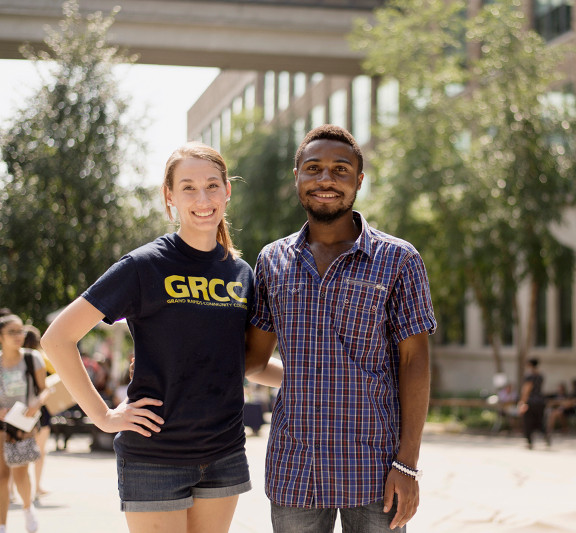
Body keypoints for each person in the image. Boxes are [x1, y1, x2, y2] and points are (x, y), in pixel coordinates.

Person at [41, 142, 280, 533]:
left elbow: (247, 362)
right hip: (155, 454)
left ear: (227, 191)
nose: (202, 198)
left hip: (224, 452)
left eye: (212, 186)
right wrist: (103, 416)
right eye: (187, 187)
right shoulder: (144, 265)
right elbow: (57, 338)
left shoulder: (241, 274)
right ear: (169, 195)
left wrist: (313, 380)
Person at [245, 125, 436, 532]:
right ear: (296, 176)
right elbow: (252, 359)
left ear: (359, 181)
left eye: (340, 170)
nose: (326, 179)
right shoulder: (272, 261)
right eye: (313, 168)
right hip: (295, 469)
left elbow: (414, 362)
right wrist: (172, 358)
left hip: (376, 471)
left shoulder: (398, 259)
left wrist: (408, 463)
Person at [0, 311, 50, 533]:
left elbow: (44, 390)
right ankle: (2, 526)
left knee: (20, 473)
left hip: (23, 424)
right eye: (12, 332)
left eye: (21, 331)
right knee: (0, 475)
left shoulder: (31, 358)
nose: (18, 336)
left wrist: (36, 404)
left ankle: (27, 509)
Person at [22, 325, 52, 501]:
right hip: (42, 408)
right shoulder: (41, 357)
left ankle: (12, 489)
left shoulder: (15, 359)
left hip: (20, 407)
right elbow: (57, 372)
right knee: (40, 450)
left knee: (18, 449)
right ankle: (37, 487)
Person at [518, 358, 550, 449]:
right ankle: (545, 437)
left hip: (531, 402)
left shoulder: (530, 376)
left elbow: (526, 390)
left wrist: (522, 402)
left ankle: (529, 442)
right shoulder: (540, 376)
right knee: (540, 422)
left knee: (528, 422)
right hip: (540, 401)